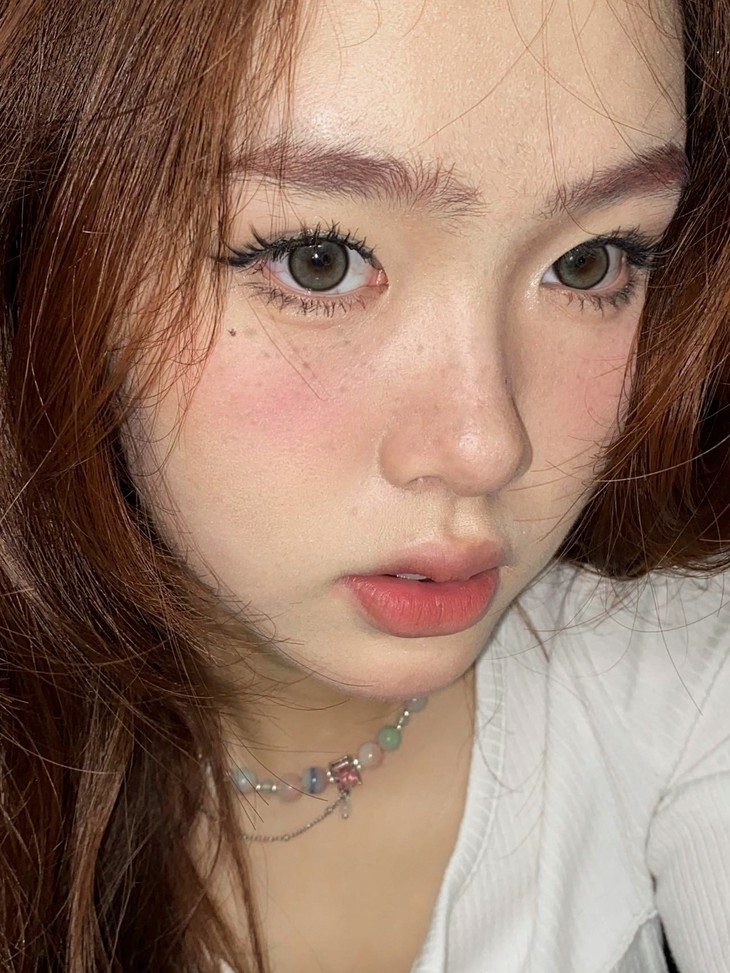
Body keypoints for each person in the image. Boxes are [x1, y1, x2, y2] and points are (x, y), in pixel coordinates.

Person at [1, 0, 728, 970]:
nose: (485, 448)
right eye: (321, 261)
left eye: (589, 261)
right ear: (45, 244)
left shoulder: (677, 681)